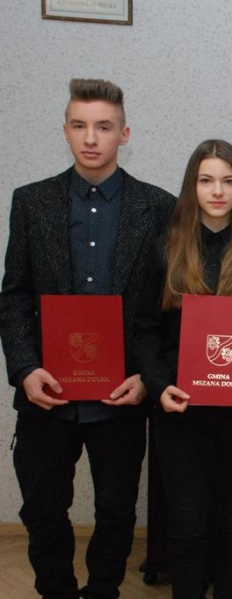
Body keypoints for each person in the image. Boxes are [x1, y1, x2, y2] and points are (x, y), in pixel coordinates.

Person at [0, 78, 175, 599]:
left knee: (117, 510)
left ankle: (103, 590)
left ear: (125, 133)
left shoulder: (158, 206)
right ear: (65, 131)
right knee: (41, 508)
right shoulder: (31, 202)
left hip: (121, 394)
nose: (91, 138)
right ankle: (56, 590)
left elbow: (168, 310)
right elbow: (14, 294)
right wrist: (25, 368)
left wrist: (147, 377)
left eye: (103, 127)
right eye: (79, 126)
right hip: (47, 392)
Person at [133, 139, 232, 599]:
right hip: (180, 413)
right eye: (206, 180)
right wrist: (159, 386)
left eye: (227, 181)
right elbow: (144, 330)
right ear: (191, 187)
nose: (217, 191)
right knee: (187, 524)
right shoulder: (165, 251)